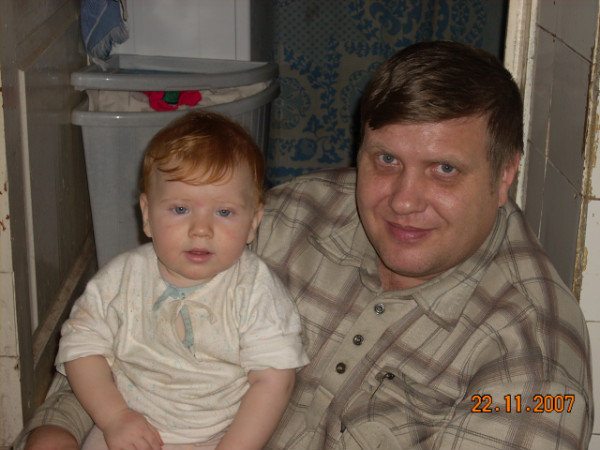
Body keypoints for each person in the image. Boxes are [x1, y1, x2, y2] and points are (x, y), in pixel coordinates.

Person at [18, 40, 592, 450]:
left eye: (444, 169)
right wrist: (58, 433)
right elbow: (118, 347)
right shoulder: (292, 217)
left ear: (504, 174)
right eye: (386, 160)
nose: (403, 200)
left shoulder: (533, 376)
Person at [49, 110, 309, 450]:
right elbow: (81, 349)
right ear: (147, 214)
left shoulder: (255, 289)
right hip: (126, 427)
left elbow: (273, 381)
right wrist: (113, 417)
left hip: (220, 437)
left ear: (253, 222)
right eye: (181, 209)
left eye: (224, 212)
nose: (201, 229)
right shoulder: (120, 279)